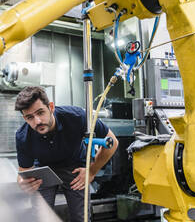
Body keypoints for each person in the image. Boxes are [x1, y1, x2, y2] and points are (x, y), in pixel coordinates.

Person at [15, 86, 118, 222]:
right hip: (44, 170)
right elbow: (23, 172)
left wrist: (92, 171)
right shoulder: (23, 136)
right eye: (30, 117)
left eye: (40, 112)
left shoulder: (77, 117)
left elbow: (113, 143)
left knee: (81, 217)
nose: (37, 121)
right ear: (24, 118)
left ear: (51, 107)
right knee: (39, 217)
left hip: (74, 167)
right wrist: (23, 183)